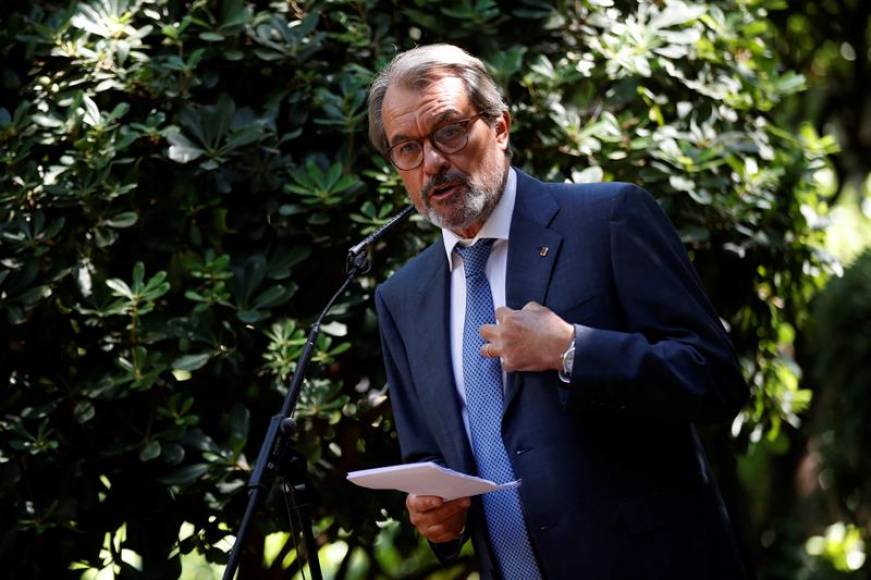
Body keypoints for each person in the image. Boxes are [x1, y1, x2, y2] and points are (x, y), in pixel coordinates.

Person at [368, 43, 751, 579]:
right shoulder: (402, 298)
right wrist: (439, 519)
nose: (432, 162)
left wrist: (574, 349)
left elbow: (714, 378)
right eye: (407, 148)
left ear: (500, 127)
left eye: (449, 131)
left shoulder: (609, 219)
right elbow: (431, 467)